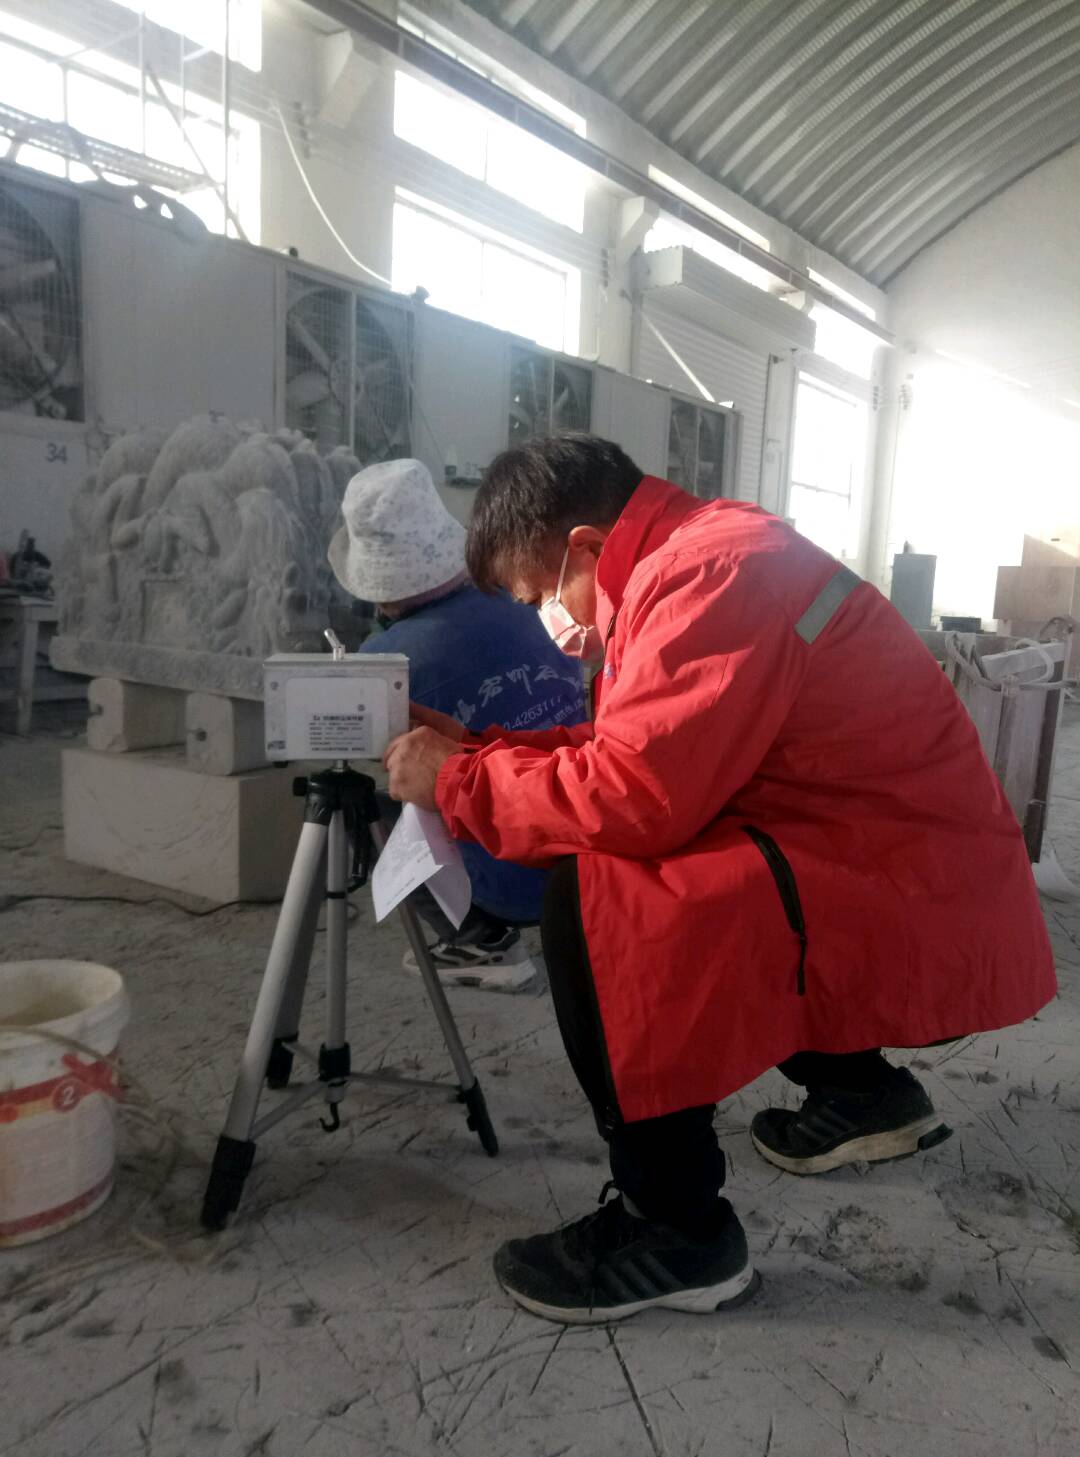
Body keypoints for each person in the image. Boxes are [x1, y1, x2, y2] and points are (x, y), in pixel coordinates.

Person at [383, 433, 1057, 1326]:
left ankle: (676, 1228)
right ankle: (864, 1093)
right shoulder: (690, 556)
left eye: (541, 595)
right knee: (688, 880)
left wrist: (459, 784)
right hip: (887, 855)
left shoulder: (707, 576)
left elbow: (631, 799)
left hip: (901, 878)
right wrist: (476, 750)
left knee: (598, 897)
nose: (551, 620)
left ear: (585, 546)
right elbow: (633, 745)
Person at [328, 457, 586, 985]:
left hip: (508, 883)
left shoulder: (385, 663)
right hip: (583, 846)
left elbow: (364, 752)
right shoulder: (530, 596)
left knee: (367, 803)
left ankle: (480, 940)